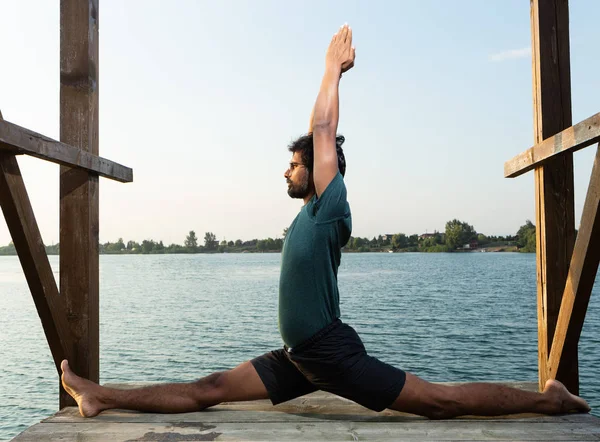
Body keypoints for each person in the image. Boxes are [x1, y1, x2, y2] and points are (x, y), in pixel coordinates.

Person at [61, 24, 590, 420]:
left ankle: (549, 402)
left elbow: (322, 126)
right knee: (211, 388)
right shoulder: (305, 218)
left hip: (329, 353)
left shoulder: (330, 203)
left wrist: (331, 69)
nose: (286, 171)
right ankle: (99, 395)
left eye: (295, 163)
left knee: (437, 400)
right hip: (300, 356)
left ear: (318, 168)